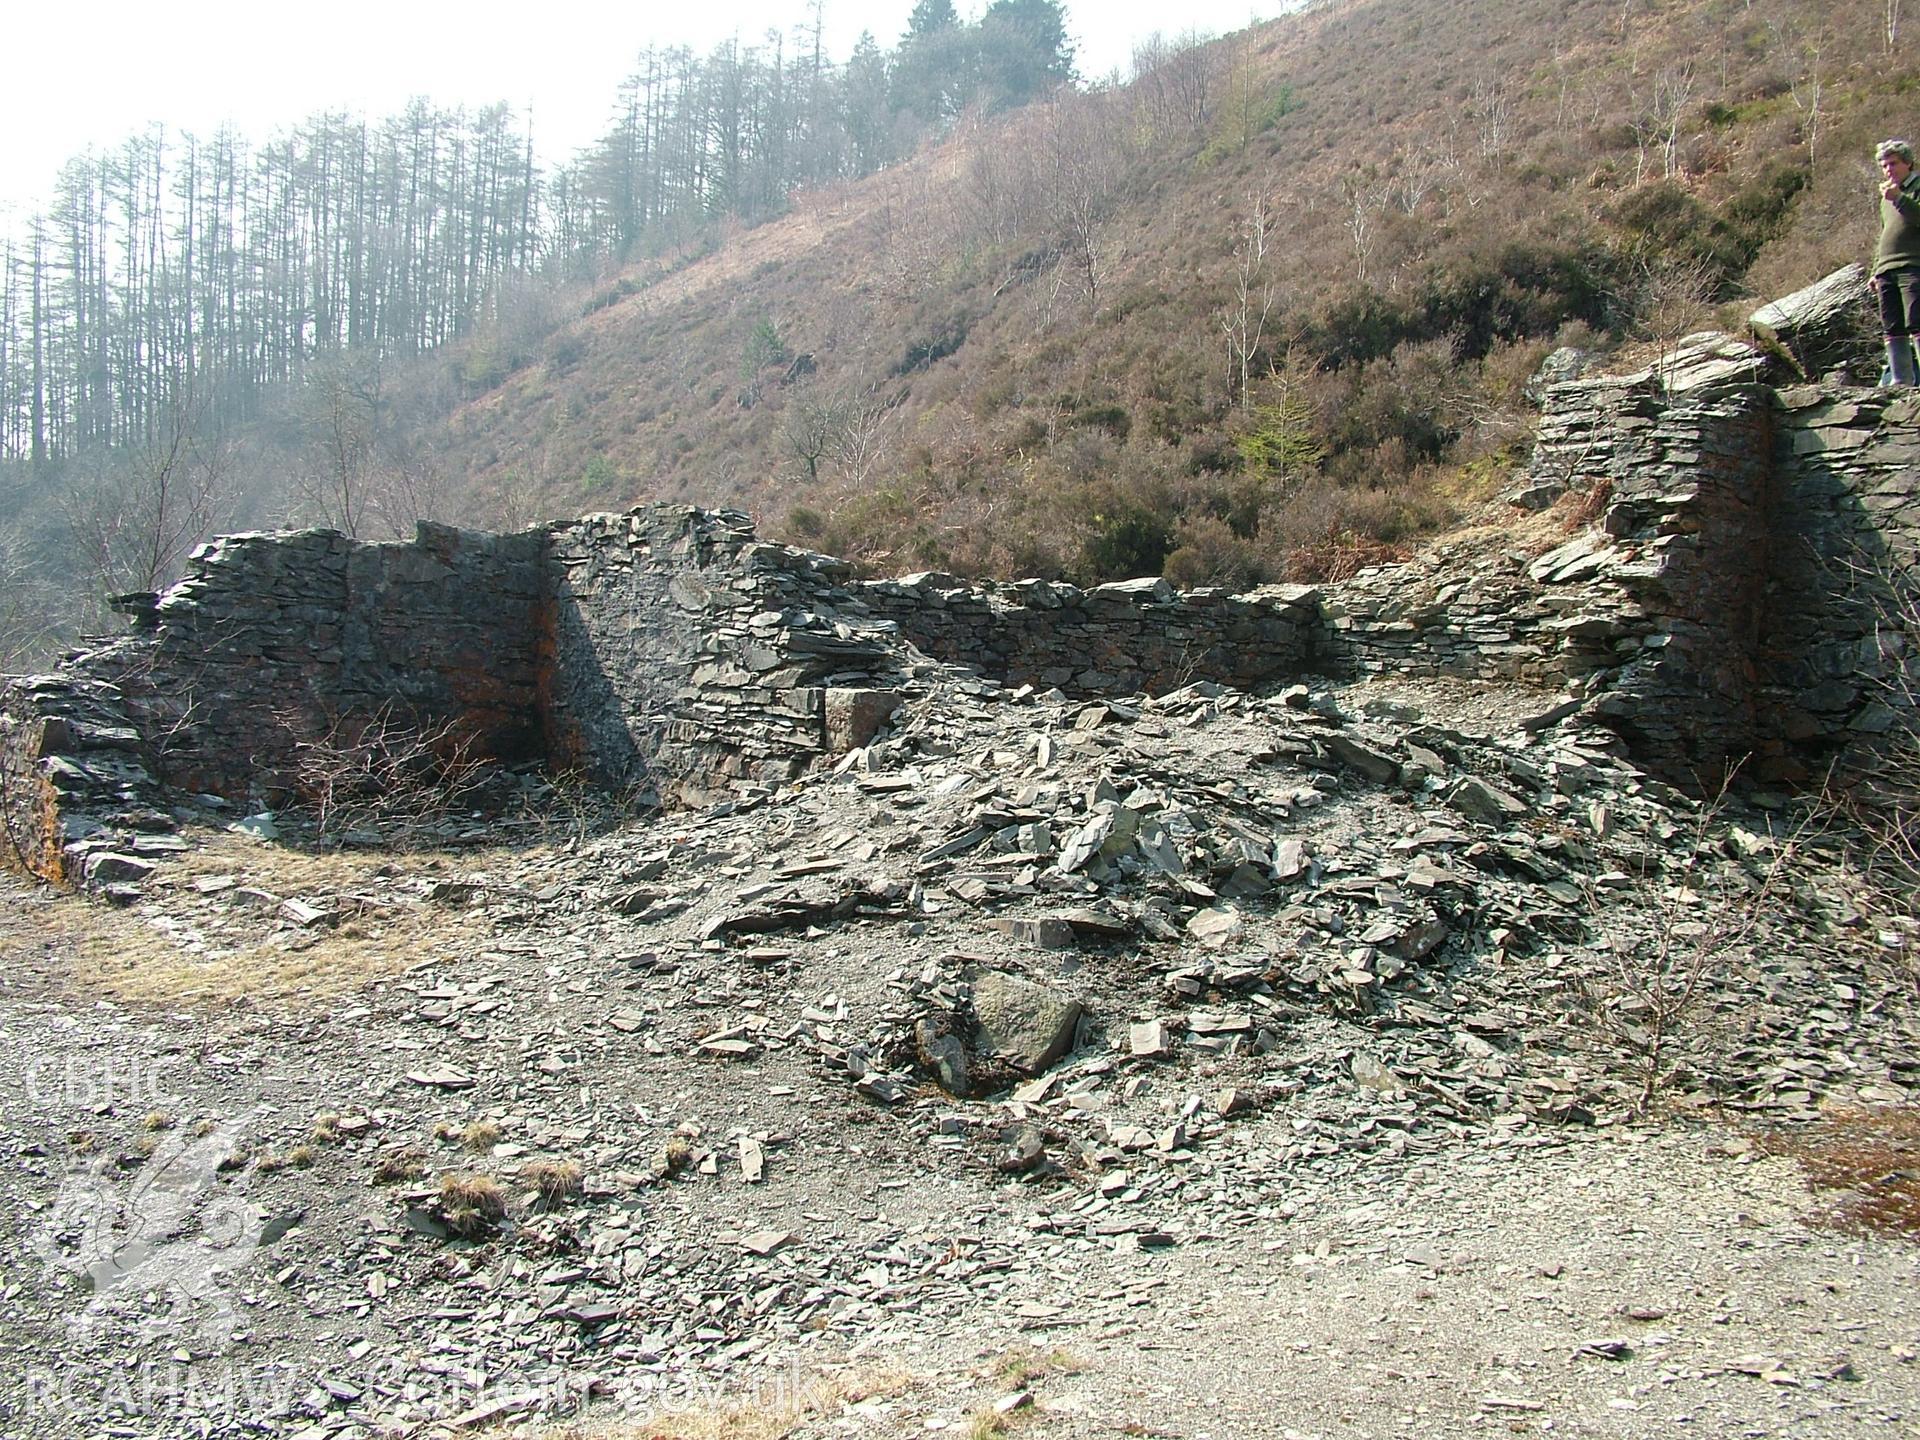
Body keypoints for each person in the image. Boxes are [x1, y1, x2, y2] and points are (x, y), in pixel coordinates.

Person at [1873, 139, 1920, 386]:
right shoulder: (1886, 197)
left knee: (1917, 321)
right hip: (1887, 269)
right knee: (1892, 327)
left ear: (1908, 163)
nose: (1888, 170)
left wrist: (1900, 198)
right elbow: (1884, 233)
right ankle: (1901, 383)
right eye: (1884, 166)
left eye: (1893, 164)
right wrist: (1875, 270)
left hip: (1913, 265)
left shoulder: (1915, 188)